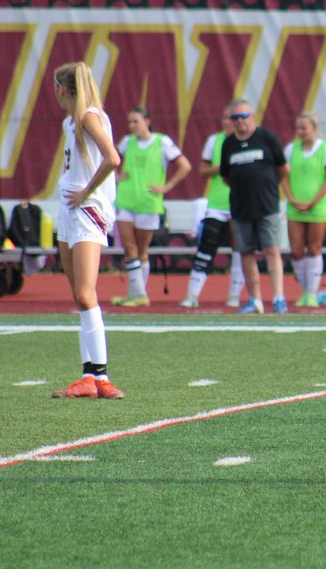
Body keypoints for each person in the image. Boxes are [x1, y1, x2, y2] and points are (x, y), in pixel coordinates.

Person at [49, 62, 125, 400]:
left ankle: (103, 377)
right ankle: (88, 377)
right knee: (79, 296)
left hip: (86, 211)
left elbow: (112, 158)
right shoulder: (71, 121)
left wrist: (86, 192)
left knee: (85, 293)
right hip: (68, 210)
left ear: (62, 89)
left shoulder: (89, 117)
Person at [111, 107, 191, 307]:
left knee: (141, 251)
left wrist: (167, 186)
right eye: (130, 122)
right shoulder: (127, 142)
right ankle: (138, 294)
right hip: (126, 200)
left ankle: (137, 294)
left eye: (136, 121)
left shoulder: (161, 142)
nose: (132, 126)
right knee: (129, 249)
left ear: (147, 121)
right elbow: (109, 160)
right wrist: (117, 177)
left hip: (148, 203)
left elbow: (185, 166)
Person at [219, 99, 289, 314]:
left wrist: (267, 187)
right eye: (235, 118)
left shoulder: (267, 138)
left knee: (272, 250)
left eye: (244, 117)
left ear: (253, 117)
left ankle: (278, 298)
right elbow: (226, 176)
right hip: (241, 206)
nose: (240, 122)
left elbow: (283, 169)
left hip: (267, 204)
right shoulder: (228, 143)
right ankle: (255, 300)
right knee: (246, 252)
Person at [180, 106, 247, 309]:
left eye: (232, 118)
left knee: (240, 249)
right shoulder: (214, 140)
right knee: (206, 246)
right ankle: (192, 295)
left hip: (239, 203)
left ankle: (234, 296)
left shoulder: (247, 142)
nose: (228, 122)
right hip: (217, 203)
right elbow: (202, 170)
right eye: (226, 118)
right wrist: (221, 167)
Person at [283, 112, 326, 307]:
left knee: (314, 248)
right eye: (298, 128)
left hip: (318, 206)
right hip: (295, 206)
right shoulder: (290, 149)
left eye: (304, 128)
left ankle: (312, 294)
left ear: (314, 128)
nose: (301, 132)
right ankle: (304, 291)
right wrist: (291, 198)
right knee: (296, 250)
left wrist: (312, 201)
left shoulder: (325, 149)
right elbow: (284, 176)